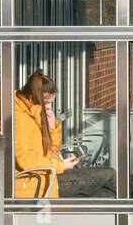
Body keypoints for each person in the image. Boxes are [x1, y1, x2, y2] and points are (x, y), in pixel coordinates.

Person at [13, 71, 115, 199]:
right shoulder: (19, 119)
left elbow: (53, 150)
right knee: (109, 175)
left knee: (104, 194)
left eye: (51, 103)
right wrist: (61, 165)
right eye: (47, 103)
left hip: (49, 174)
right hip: (36, 182)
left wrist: (51, 127)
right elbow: (26, 159)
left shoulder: (33, 113)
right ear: (37, 99)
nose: (49, 107)